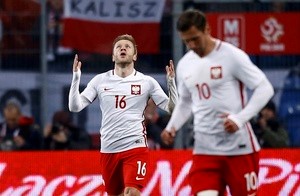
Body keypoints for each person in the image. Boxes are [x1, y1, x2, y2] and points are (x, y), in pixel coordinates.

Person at [161, 9, 274, 196]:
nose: (191, 45)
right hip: (205, 150)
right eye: (186, 41)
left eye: (195, 38)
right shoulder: (185, 64)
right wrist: (172, 127)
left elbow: (265, 88)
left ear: (207, 29)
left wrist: (240, 118)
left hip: (239, 149)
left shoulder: (232, 56)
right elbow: (185, 102)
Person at [68, 34, 177, 196]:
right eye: (118, 47)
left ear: (135, 55)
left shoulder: (147, 82)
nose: (123, 48)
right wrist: (76, 78)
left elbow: (172, 108)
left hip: (135, 146)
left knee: (132, 192)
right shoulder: (100, 80)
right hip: (108, 149)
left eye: (127, 46)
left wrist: (171, 83)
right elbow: (75, 107)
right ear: (113, 56)